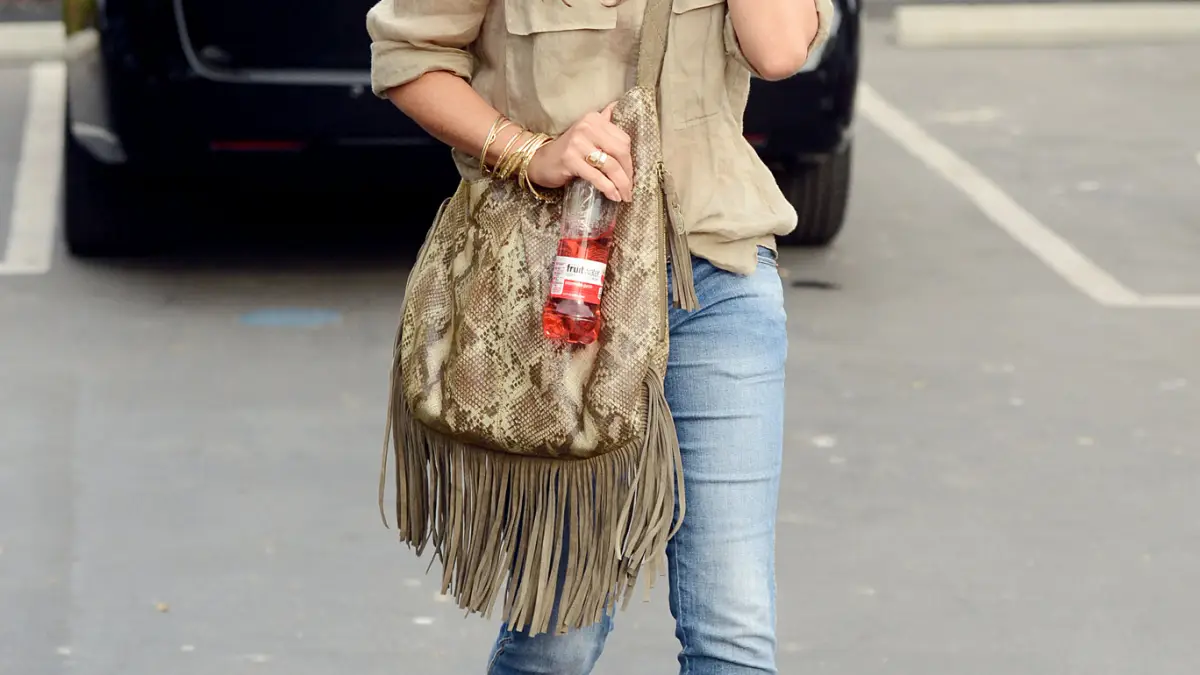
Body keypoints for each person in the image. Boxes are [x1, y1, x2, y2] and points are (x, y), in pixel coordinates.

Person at [367, 0, 832, 672]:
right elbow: (408, 58)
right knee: (559, 636)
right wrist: (530, 152)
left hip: (717, 278)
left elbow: (780, 50)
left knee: (734, 631)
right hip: (568, 282)